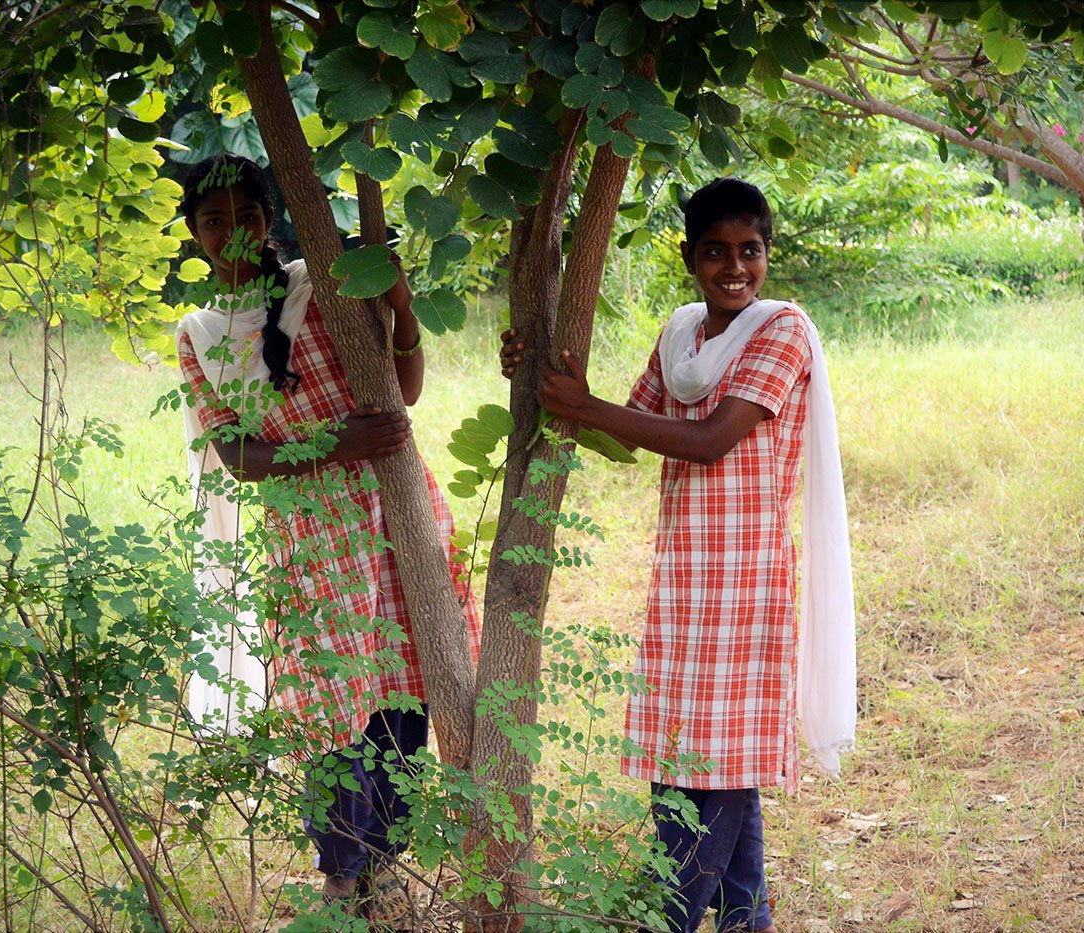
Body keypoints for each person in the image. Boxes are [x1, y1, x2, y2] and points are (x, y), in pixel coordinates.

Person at [502, 177, 855, 932]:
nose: (735, 267)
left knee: (718, 765)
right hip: (686, 581)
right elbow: (630, 429)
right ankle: (745, 920)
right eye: (715, 252)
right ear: (690, 257)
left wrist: (582, 405)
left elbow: (706, 440)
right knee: (687, 758)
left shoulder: (782, 328)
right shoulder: (683, 336)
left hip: (745, 581)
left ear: (768, 253)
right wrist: (540, 378)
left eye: (750, 250)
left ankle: (670, 919)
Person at [175, 154, 479, 909]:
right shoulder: (201, 331)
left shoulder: (326, 282)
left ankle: (385, 861)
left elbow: (401, 391)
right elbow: (241, 457)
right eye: (215, 221)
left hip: (394, 510)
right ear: (194, 234)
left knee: (404, 690)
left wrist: (404, 310)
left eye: (246, 214)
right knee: (331, 708)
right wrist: (336, 445)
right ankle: (342, 873)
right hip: (311, 537)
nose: (234, 232)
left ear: (269, 217)